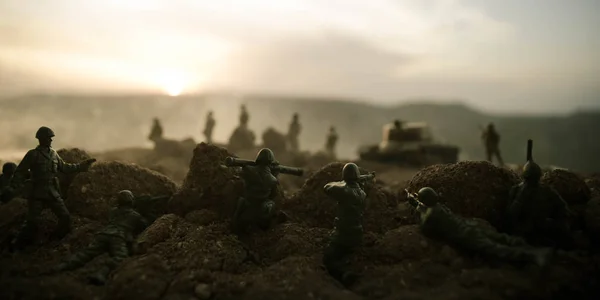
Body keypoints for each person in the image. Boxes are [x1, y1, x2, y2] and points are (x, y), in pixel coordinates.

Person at [0, 126, 96, 249]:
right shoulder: (32, 154)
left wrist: (81, 166)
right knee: (31, 223)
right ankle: (16, 246)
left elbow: (65, 167)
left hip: (52, 192)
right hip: (37, 193)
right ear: (41, 139)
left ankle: (54, 241)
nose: (51, 140)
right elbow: (20, 172)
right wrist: (12, 188)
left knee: (65, 217)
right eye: (49, 138)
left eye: (51, 138)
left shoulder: (54, 154)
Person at [406, 187, 552, 267]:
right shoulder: (440, 207)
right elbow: (430, 209)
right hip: (469, 226)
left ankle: (532, 255)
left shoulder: (431, 213)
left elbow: (425, 226)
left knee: (494, 248)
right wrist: (417, 203)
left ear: (424, 201)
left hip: (466, 235)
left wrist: (418, 208)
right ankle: (530, 247)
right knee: (501, 238)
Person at [52, 190, 149, 285]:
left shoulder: (113, 211)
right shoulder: (135, 215)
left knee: (86, 253)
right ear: (131, 201)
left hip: (103, 234)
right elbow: (144, 224)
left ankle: (61, 267)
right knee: (120, 257)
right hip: (118, 237)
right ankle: (101, 273)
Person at [506, 140, 573, 249]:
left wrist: (558, 222)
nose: (531, 182)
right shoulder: (516, 190)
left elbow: (563, 208)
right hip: (524, 230)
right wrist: (521, 197)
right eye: (529, 179)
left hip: (543, 228)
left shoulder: (546, 191)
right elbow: (510, 216)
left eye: (534, 179)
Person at [224, 148, 303, 234]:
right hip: (261, 212)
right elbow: (274, 194)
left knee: (240, 200)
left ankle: (235, 225)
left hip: (247, 207)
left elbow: (239, 173)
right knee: (271, 204)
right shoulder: (272, 179)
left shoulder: (248, 170)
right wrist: (274, 174)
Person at [323, 163, 375, 285]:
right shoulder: (362, 193)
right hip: (357, 231)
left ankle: (343, 276)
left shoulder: (343, 190)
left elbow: (327, 187)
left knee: (329, 258)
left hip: (343, 232)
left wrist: (343, 181)